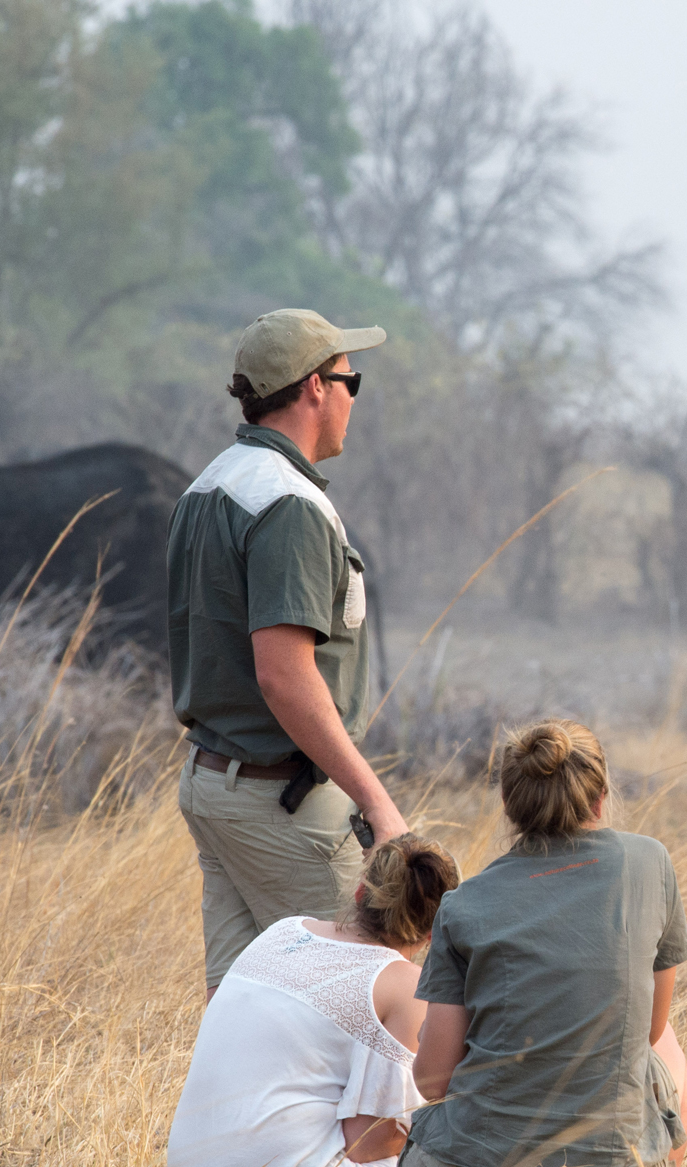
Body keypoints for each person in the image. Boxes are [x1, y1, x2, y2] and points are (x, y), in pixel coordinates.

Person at [377, 720, 687, 1167]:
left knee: (425, 1147)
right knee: (666, 1054)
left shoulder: (463, 905)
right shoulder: (650, 864)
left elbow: (432, 1079)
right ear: (600, 797)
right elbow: (650, 1028)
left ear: (508, 803)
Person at [168, 308, 410, 997]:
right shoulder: (288, 504)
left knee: (245, 1017)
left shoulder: (210, 483)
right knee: (362, 1007)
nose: (352, 399)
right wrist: (377, 802)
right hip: (282, 801)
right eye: (350, 380)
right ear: (314, 387)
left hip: (213, 782)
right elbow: (282, 674)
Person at [166, 836, 460, 1167]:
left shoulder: (284, 931)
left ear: (360, 893)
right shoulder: (405, 984)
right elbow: (369, 1145)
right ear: (434, 930)